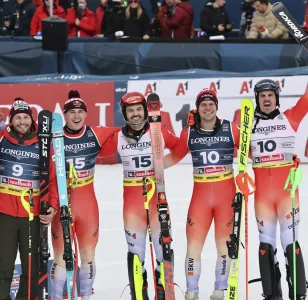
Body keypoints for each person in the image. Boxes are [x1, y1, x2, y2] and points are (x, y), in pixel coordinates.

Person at [0, 90, 120, 299]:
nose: (76, 116)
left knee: (88, 255)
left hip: (86, 204)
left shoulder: (95, 133)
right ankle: (57, 296)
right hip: (59, 203)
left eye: (80, 112)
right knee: (59, 257)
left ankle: (85, 295)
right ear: (65, 115)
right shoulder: (50, 138)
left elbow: (129, 131)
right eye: (71, 112)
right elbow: (13, 141)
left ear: (86, 114)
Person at [96, 92, 178, 300]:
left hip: (156, 198)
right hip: (132, 203)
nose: (135, 114)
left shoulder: (157, 131)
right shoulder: (118, 136)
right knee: (136, 253)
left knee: (163, 248)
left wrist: (164, 164)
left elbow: (180, 148)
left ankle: (164, 294)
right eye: (130, 110)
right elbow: (96, 151)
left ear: (145, 110)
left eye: (138, 109)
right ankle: (138, 295)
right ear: (124, 113)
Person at [164, 89, 240, 300]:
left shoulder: (231, 128)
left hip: (226, 197)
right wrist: (152, 168)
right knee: (193, 247)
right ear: (198, 108)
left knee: (224, 247)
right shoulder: (189, 133)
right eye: (204, 105)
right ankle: (191, 291)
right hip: (200, 200)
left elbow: (250, 152)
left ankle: (219, 290)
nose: (208, 108)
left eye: (211, 104)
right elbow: (174, 157)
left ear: (216, 106)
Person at [0, 98, 59, 300]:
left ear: (32, 120)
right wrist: (0, 126)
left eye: (25, 117)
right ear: (11, 121)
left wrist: (52, 207)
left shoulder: (43, 144)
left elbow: (52, 179)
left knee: (32, 267)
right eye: (17, 118)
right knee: (3, 265)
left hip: (32, 213)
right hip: (5, 213)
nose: (21, 122)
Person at [251, 79, 308, 300]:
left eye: (270, 95)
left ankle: (299, 294)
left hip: (286, 195)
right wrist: (198, 124)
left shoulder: (289, 118)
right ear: (257, 99)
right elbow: (223, 138)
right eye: (262, 96)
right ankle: (272, 295)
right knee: (266, 245)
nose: (266, 99)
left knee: (290, 242)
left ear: (276, 98)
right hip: (263, 197)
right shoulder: (248, 126)